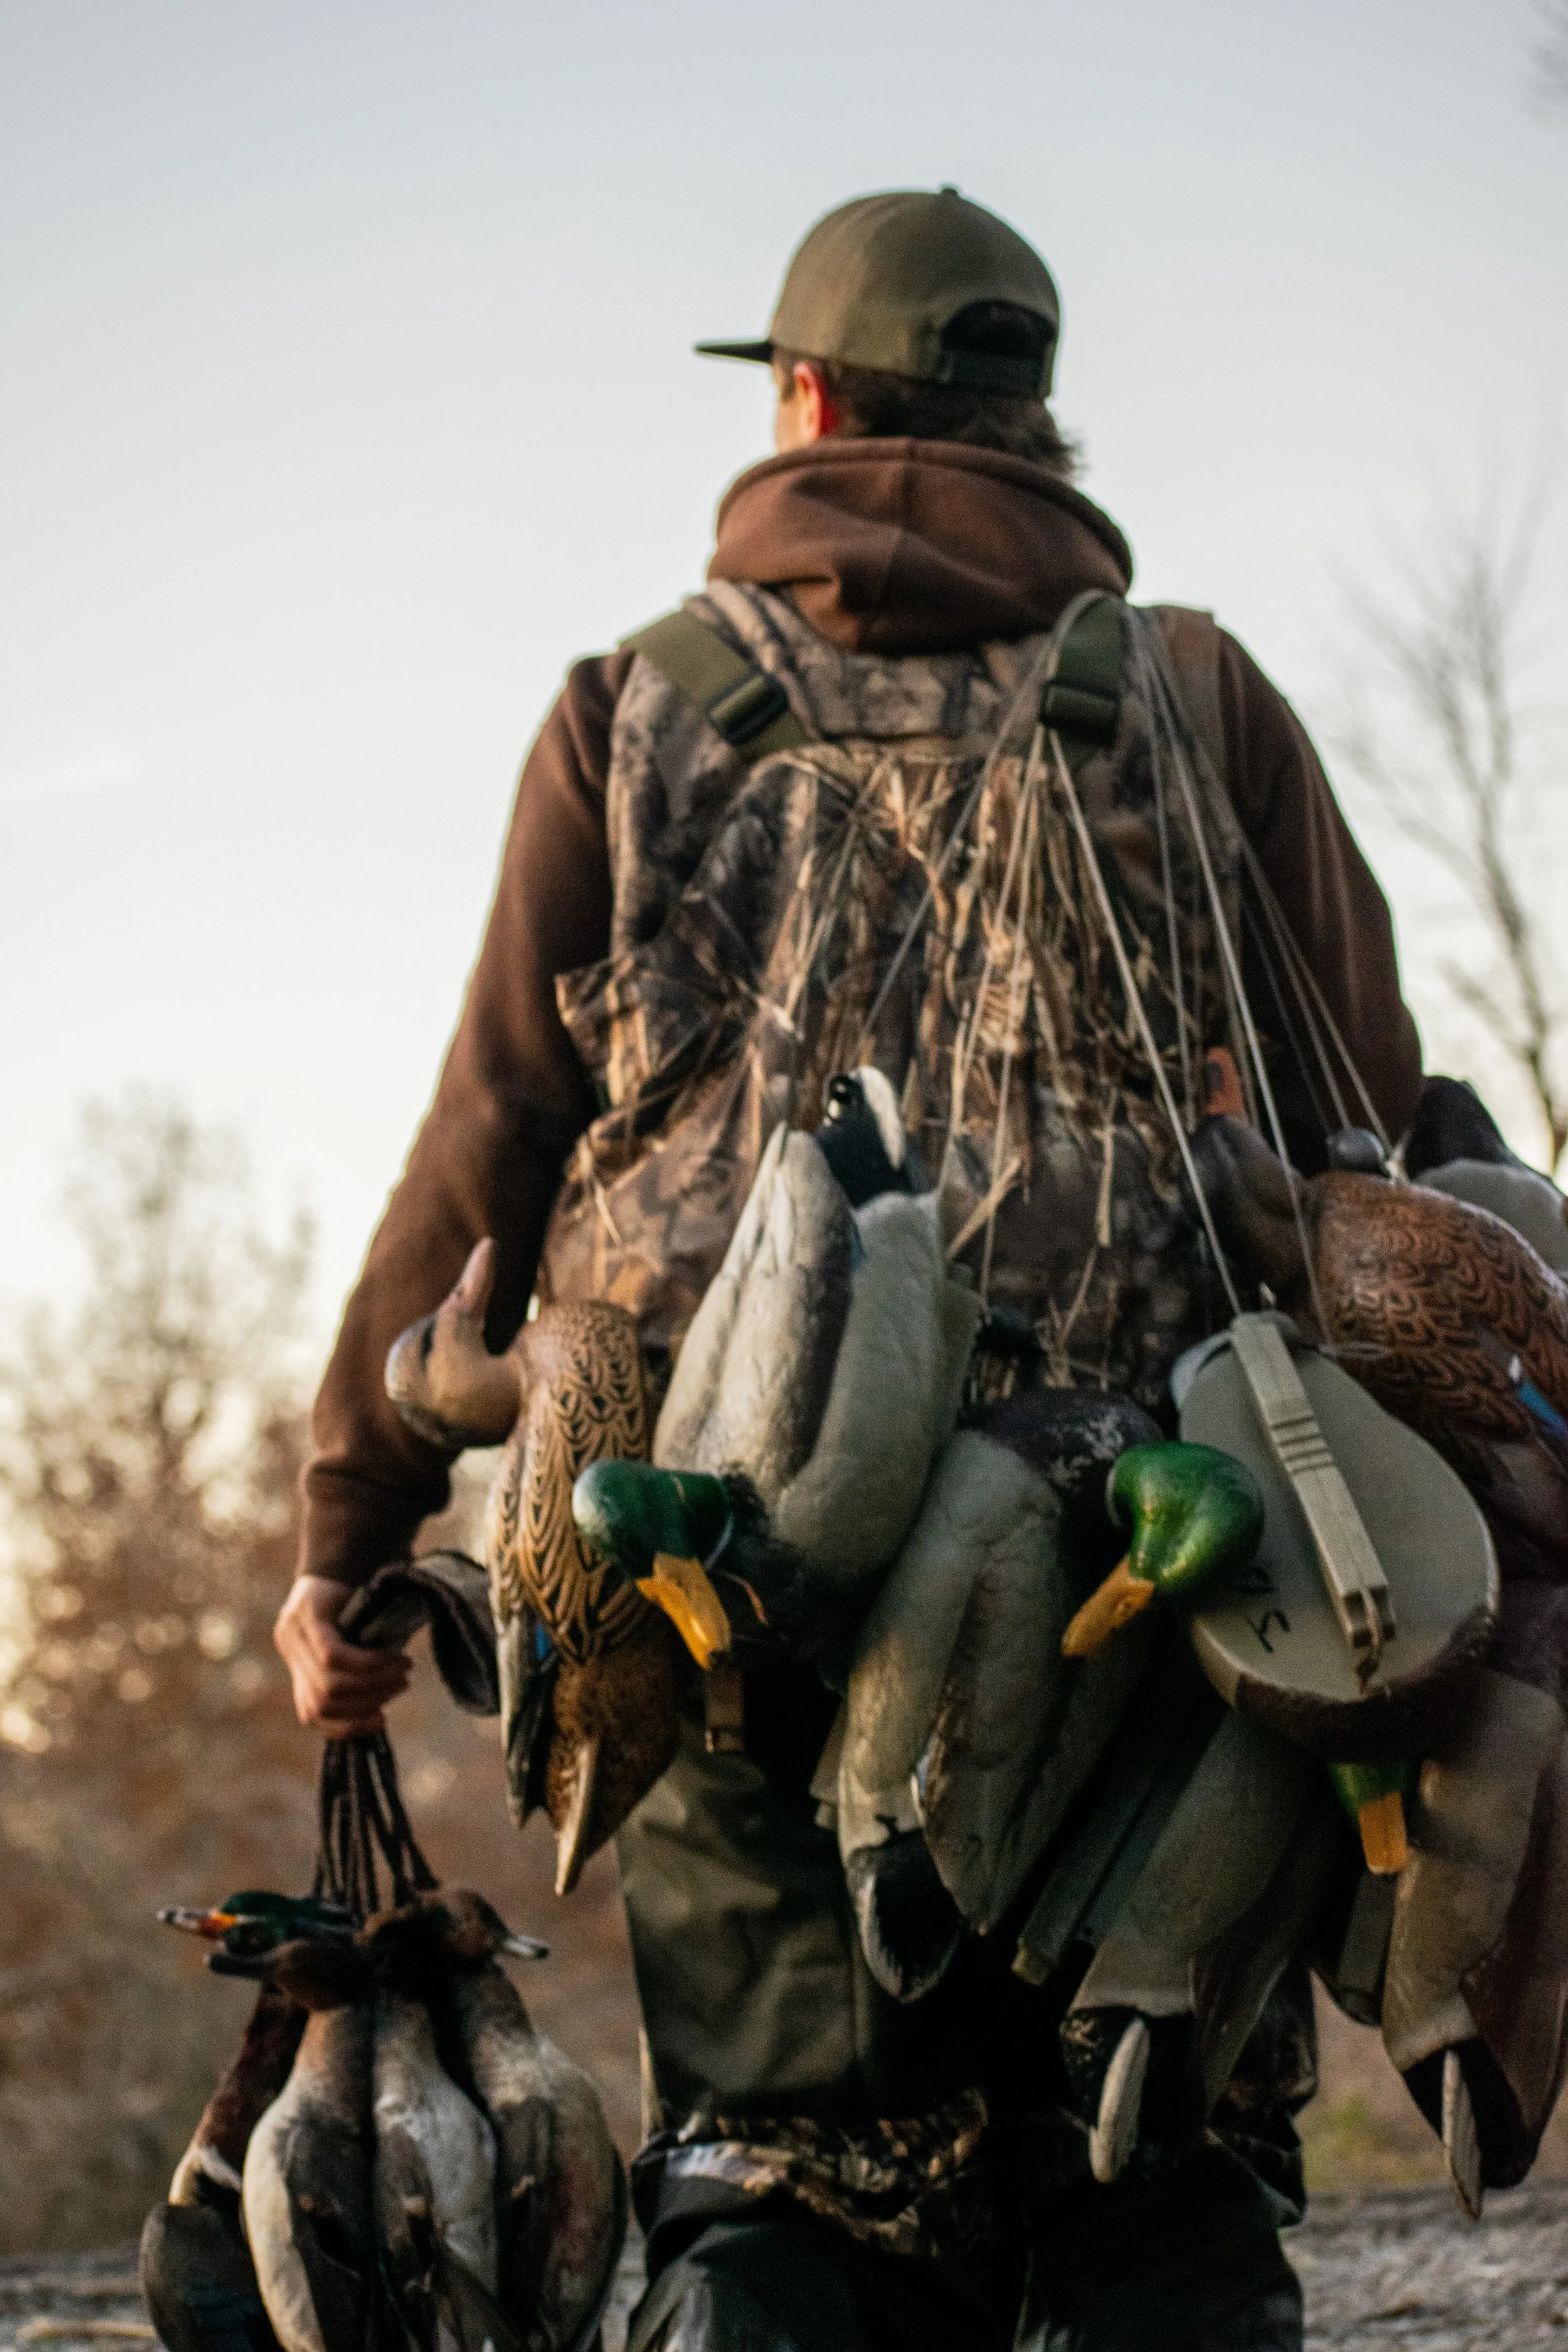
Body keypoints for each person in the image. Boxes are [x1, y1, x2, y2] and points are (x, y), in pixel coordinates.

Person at [275, 189, 1422, 2351]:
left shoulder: (634, 708)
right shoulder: (1188, 696)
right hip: (1157, 1576)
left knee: (788, 2207)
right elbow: (1364, 1115)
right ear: (1035, 420)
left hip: (714, 1587)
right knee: (1148, 2176)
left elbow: (484, 1148)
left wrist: (347, 1539)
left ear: (801, 399)